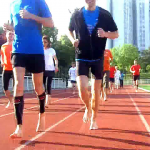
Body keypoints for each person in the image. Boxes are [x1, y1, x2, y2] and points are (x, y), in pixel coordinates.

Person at [3, 0, 54, 138]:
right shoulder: (12, 4)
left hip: (36, 50)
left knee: (38, 87)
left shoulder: (38, 2)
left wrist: (31, 16)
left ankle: (42, 114)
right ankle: (19, 127)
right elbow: (15, 27)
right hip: (18, 49)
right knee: (18, 86)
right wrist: (9, 27)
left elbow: (50, 23)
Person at [68, 0, 119, 130]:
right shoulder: (76, 14)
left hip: (97, 58)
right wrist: (73, 39)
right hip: (81, 57)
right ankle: (87, 107)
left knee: (96, 91)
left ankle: (94, 119)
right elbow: (69, 30)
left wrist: (105, 34)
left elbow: (116, 33)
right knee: (82, 89)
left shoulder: (105, 15)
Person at [42, 35, 58, 108]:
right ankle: (49, 97)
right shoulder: (40, 49)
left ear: (48, 42)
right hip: (42, 70)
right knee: (44, 85)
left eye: (45, 42)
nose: (44, 43)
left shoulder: (51, 50)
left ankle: (46, 101)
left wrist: (56, 66)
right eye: (42, 42)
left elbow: (55, 59)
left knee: (48, 85)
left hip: (50, 69)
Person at [1, 31, 14, 108]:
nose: (11, 35)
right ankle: (10, 100)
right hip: (6, 68)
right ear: (6, 35)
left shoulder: (16, 45)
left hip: (15, 68)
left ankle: (17, 103)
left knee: (16, 87)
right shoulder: (3, 46)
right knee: (5, 88)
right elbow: (1, 56)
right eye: (9, 34)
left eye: (12, 34)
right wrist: (2, 62)